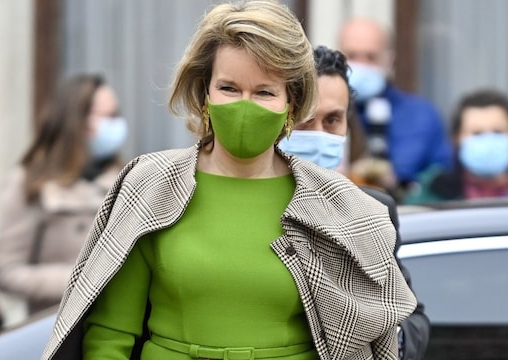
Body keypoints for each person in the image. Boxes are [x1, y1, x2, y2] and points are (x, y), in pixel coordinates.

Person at [41, 1, 417, 359]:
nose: (244, 107)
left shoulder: (340, 205)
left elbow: (369, 337)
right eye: (229, 88)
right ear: (204, 92)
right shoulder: (151, 186)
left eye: (265, 92)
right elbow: (111, 333)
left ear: (291, 103)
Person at [280, 45, 430, 360]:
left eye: (333, 120)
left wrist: (387, 338)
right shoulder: (243, 201)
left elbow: (412, 318)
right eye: (306, 121)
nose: (320, 134)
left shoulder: (373, 209)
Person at [0, 74, 126, 315]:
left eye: (117, 115)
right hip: (56, 326)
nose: (116, 125)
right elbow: (5, 272)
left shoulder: (127, 178)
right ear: (77, 122)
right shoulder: (30, 182)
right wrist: (84, 280)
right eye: (108, 117)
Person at [338, 17, 452, 192]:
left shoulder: (422, 115)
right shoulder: (321, 113)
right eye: (352, 56)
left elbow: (441, 181)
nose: (361, 65)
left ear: (389, 59)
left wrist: (401, 185)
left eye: (371, 57)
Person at [404, 89, 508, 204]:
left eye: (498, 132)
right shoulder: (433, 190)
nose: (489, 141)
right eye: (477, 133)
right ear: (456, 138)